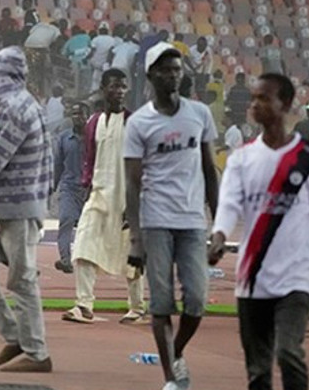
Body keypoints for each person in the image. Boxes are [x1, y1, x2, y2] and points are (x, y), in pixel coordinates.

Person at [210, 73, 309, 390]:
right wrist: (217, 237)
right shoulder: (242, 158)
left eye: (263, 98)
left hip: (295, 275)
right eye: (253, 98)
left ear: (285, 103)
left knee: (288, 353)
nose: (255, 104)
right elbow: (228, 206)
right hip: (252, 277)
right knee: (258, 370)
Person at [125, 43, 220, 390]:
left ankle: (174, 352)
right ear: (150, 76)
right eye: (165, 70)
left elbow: (210, 171)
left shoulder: (200, 114)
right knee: (161, 303)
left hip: (193, 221)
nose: (173, 75)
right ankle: (171, 377)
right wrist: (135, 238)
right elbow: (132, 184)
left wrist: (220, 225)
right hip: (155, 222)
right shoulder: (139, 123)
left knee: (196, 301)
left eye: (177, 69)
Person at [0, 47, 53, 373]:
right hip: (0, 206)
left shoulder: (17, 109)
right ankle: (16, 336)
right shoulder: (25, 105)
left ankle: (37, 352)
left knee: (22, 279)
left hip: (18, 207)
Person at [65, 69, 147, 324]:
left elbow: (142, 164)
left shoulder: (133, 122)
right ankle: (84, 305)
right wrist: (87, 186)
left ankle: (137, 308)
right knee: (83, 245)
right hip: (99, 195)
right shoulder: (93, 122)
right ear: (103, 88)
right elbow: (90, 159)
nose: (119, 91)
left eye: (123, 87)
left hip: (126, 198)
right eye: (114, 86)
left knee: (131, 253)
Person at [52, 101, 88, 274]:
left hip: (89, 190)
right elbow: (57, 164)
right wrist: (52, 186)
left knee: (88, 228)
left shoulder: (94, 138)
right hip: (69, 188)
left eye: (80, 114)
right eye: (74, 114)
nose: (77, 117)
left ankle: (88, 261)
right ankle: (65, 259)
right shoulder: (64, 138)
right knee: (66, 219)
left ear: (87, 116)